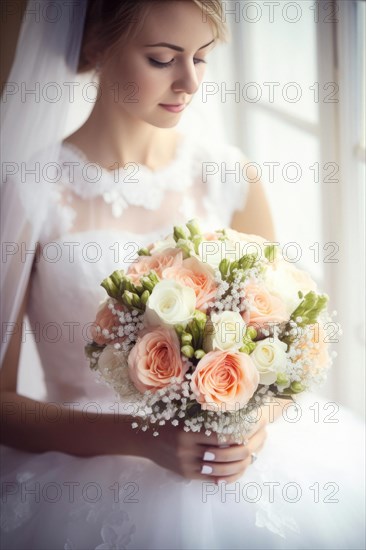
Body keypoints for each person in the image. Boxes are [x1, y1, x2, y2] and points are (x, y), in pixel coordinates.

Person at [0, 1, 364, 549]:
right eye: (162, 58)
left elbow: (289, 346)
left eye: (201, 57)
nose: (189, 82)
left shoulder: (227, 174)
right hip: (88, 471)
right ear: (98, 46)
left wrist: (255, 426)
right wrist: (143, 439)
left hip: (240, 469)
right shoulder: (29, 192)